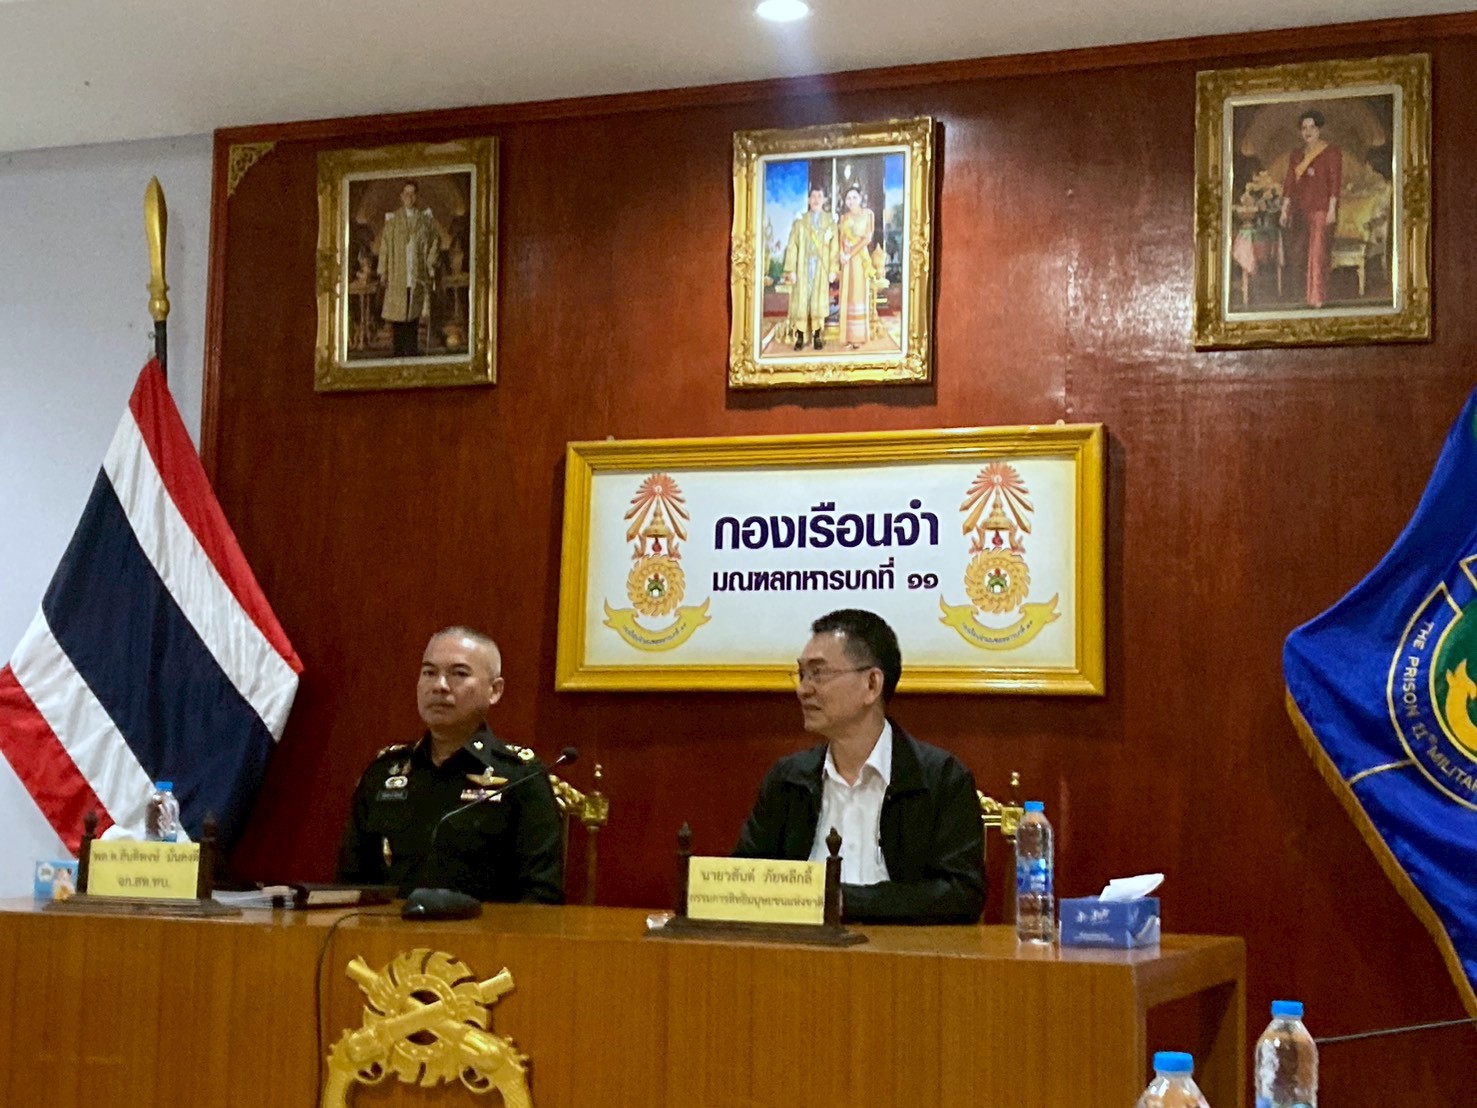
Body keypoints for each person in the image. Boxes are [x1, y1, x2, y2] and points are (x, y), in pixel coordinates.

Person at [733, 609, 986, 924]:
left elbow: (962, 894)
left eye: (818, 673)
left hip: (902, 951)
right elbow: (743, 878)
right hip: (800, 949)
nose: (803, 689)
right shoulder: (788, 779)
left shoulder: (941, 778)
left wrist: (843, 901)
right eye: (801, 674)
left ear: (872, 684)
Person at [337, 626, 563, 903]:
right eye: (429, 672)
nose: (439, 686)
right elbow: (350, 885)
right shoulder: (384, 773)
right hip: (390, 928)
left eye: (459, 674)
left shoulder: (520, 776)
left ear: (494, 691)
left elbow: (541, 897)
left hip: (486, 930)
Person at [1280, 110, 1342, 309]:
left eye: (1312, 127)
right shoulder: (1296, 155)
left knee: (1317, 254)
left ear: (1319, 129)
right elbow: (1289, 183)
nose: (1307, 131)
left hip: (1322, 209)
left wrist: (1332, 209)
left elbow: (1335, 183)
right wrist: (1284, 209)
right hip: (1300, 210)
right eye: (1304, 128)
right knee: (1298, 253)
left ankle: (1317, 298)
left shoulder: (1331, 152)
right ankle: (1302, 296)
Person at [378, 180, 441, 356]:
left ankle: (412, 354)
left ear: (416, 196)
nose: (409, 197)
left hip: (416, 274)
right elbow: (384, 247)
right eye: (406, 193)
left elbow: (435, 241)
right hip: (397, 274)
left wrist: (430, 264)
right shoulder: (392, 222)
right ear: (401, 196)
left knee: (413, 315)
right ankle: (398, 354)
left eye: (412, 193)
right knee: (398, 316)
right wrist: (383, 271)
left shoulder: (425, 221)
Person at [780, 187, 838, 351]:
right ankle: (800, 336)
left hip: (821, 267)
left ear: (824, 200)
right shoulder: (800, 223)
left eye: (820, 196)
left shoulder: (830, 223)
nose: (816, 200)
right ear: (808, 200)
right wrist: (791, 270)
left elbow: (834, 248)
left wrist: (833, 269)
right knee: (801, 301)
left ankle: (817, 335)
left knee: (818, 300)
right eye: (813, 196)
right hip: (803, 267)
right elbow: (792, 246)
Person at [835, 186, 878, 349]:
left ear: (860, 198)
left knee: (858, 294)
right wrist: (841, 253)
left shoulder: (868, 215)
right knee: (847, 295)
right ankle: (848, 337)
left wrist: (850, 253)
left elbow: (867, 239)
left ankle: (858, 338)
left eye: (854, 197)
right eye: (848, 198)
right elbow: (841, 238)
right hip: (847, 261)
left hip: (859, 259)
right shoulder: (844, 218)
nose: (851, 201)